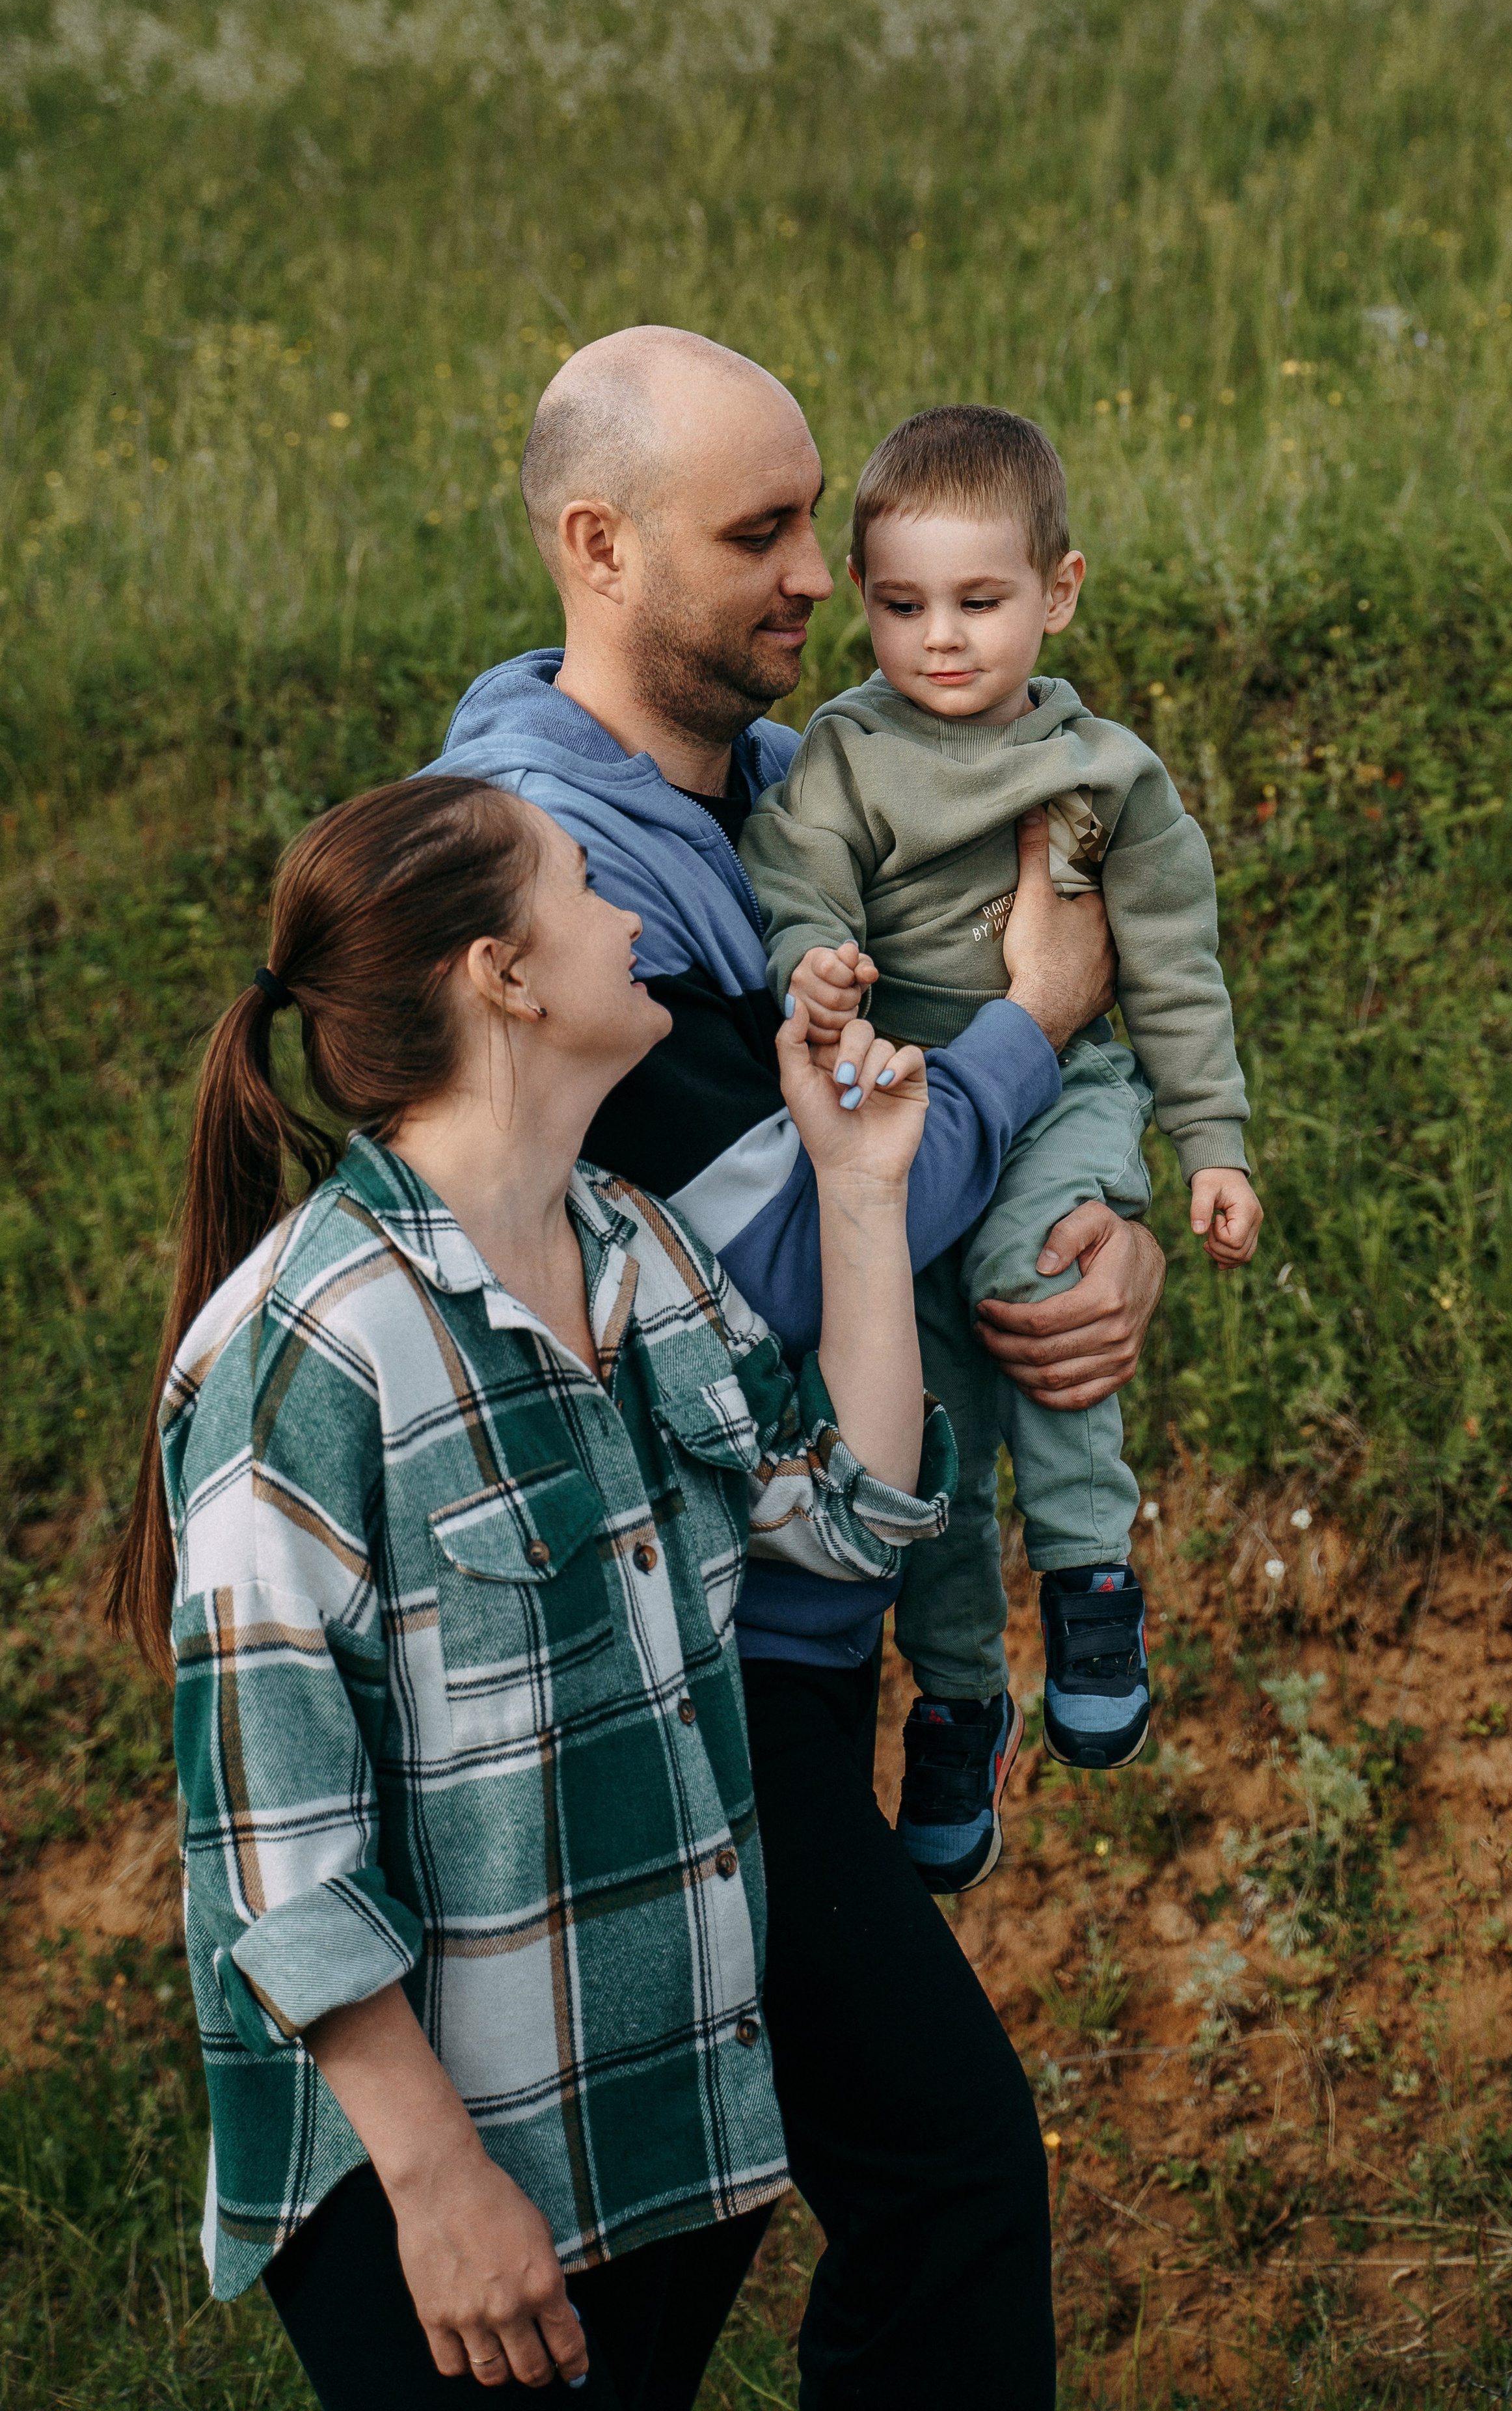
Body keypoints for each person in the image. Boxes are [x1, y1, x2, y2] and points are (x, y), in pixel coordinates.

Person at [430, 326, 1170, 2409]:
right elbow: (751, 1263)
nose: (814, 578)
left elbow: (955, 1162)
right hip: (676, 1653)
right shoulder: (533, 880)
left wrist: (1094, 1239)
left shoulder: (779, 788)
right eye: (758, 532)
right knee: (942, 2177)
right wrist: (1027, 1026)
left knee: (700, 2221)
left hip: (803, 1610)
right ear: (597, 546)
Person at [107, 772, 954, 2409]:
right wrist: (437, 2189)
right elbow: (278, 1854)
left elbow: (840, 1514)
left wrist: (860, 1193)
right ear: (504, 975)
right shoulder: (310, 1350)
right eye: (585, 884)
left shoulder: (633, 1248)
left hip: (651, 2134)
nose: (633, 915)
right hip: (441, 2202)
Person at [740, 404, 1263, 1888]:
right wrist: (818, 965)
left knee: (1041, 1279)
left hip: (1062, 1086)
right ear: (861, 596)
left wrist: (1211, 1143)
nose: (941, 641)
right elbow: (797, 882)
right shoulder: (839, 751)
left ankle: (1091, 1581)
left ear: (1061, 588)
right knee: (926, 1423)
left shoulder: (1106, 774)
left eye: (980, 603)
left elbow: (1167, 962)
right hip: (897, 1100)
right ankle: (957, 1696)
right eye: (900, 606)